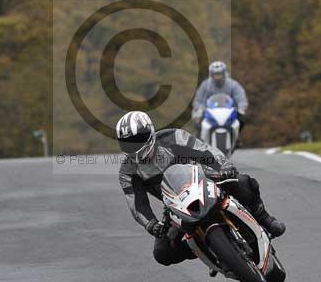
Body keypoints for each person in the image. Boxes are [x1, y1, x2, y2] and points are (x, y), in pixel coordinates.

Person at [116, 111, 285, 267]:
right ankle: (206, 248)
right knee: (162, 253)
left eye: (138, 139)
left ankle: (265, 218)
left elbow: (204, 151)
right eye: (129, 143)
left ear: (150, 133)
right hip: (175, 206)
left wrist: (223, 166)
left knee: (243, 182)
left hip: (206, 180)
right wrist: (151, 225)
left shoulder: (173, 137)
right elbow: (138, 205)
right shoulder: (127, 172)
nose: (135, 146)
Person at [192, 61, 248, 130]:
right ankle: (200, 139)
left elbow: (240, 97)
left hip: (229, 114)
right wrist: (200, 109)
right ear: (212, 74)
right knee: (197, 120)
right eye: (216, 74)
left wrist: (241, 108)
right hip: (209, 115)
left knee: (241, 119)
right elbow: (198, 100)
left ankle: (235, 139)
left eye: (219, 74)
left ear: (224, 73)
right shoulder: (205, 85)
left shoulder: (233, 84)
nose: (218, 76)